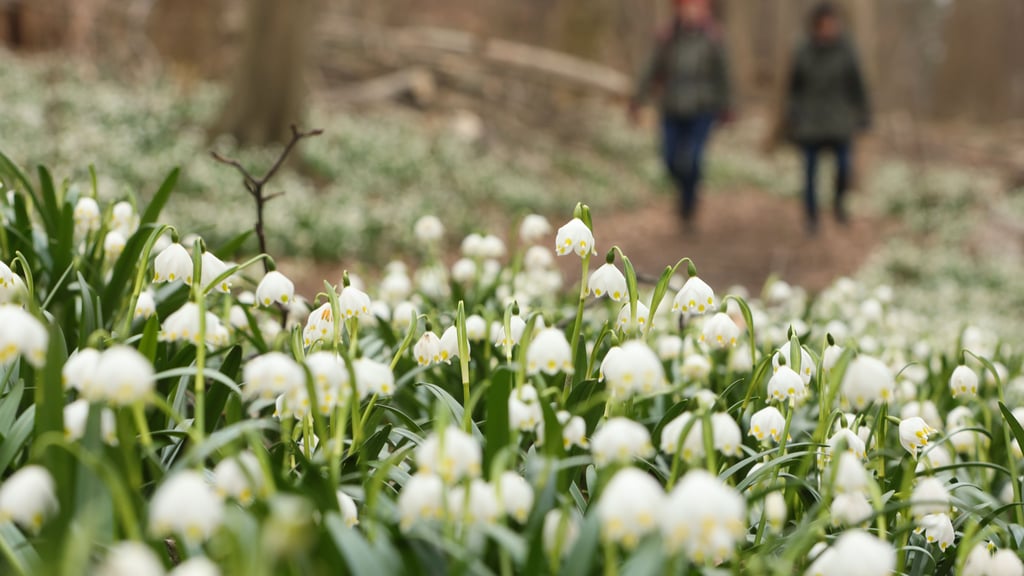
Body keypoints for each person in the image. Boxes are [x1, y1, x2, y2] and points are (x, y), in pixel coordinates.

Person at [630, 0, 731, 228]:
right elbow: (651, 68)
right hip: (672, 106)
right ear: (679, 8)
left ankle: (688, 204)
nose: (693, 10)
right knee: (669, 159)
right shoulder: (667, 36)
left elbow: (724, 74)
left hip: (703, 107)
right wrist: (637, 99)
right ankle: (684, 190)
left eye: (698, 5)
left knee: (693, 159)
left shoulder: (713, 37)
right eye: (688, 5)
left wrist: (727, 106)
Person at [785, 2, 870, 234]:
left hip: (839, 121)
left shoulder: (846, 49)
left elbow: (857, 85)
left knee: (843, 168)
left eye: (832, 24)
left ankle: (839, 204)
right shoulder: (803, 49)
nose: (828, 29)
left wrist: (864, 114)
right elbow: (794, 87)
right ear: (815, 26)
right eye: (824, 25)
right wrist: (793, 115)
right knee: (810, 173)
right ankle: (811, 217)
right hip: (810, 123)